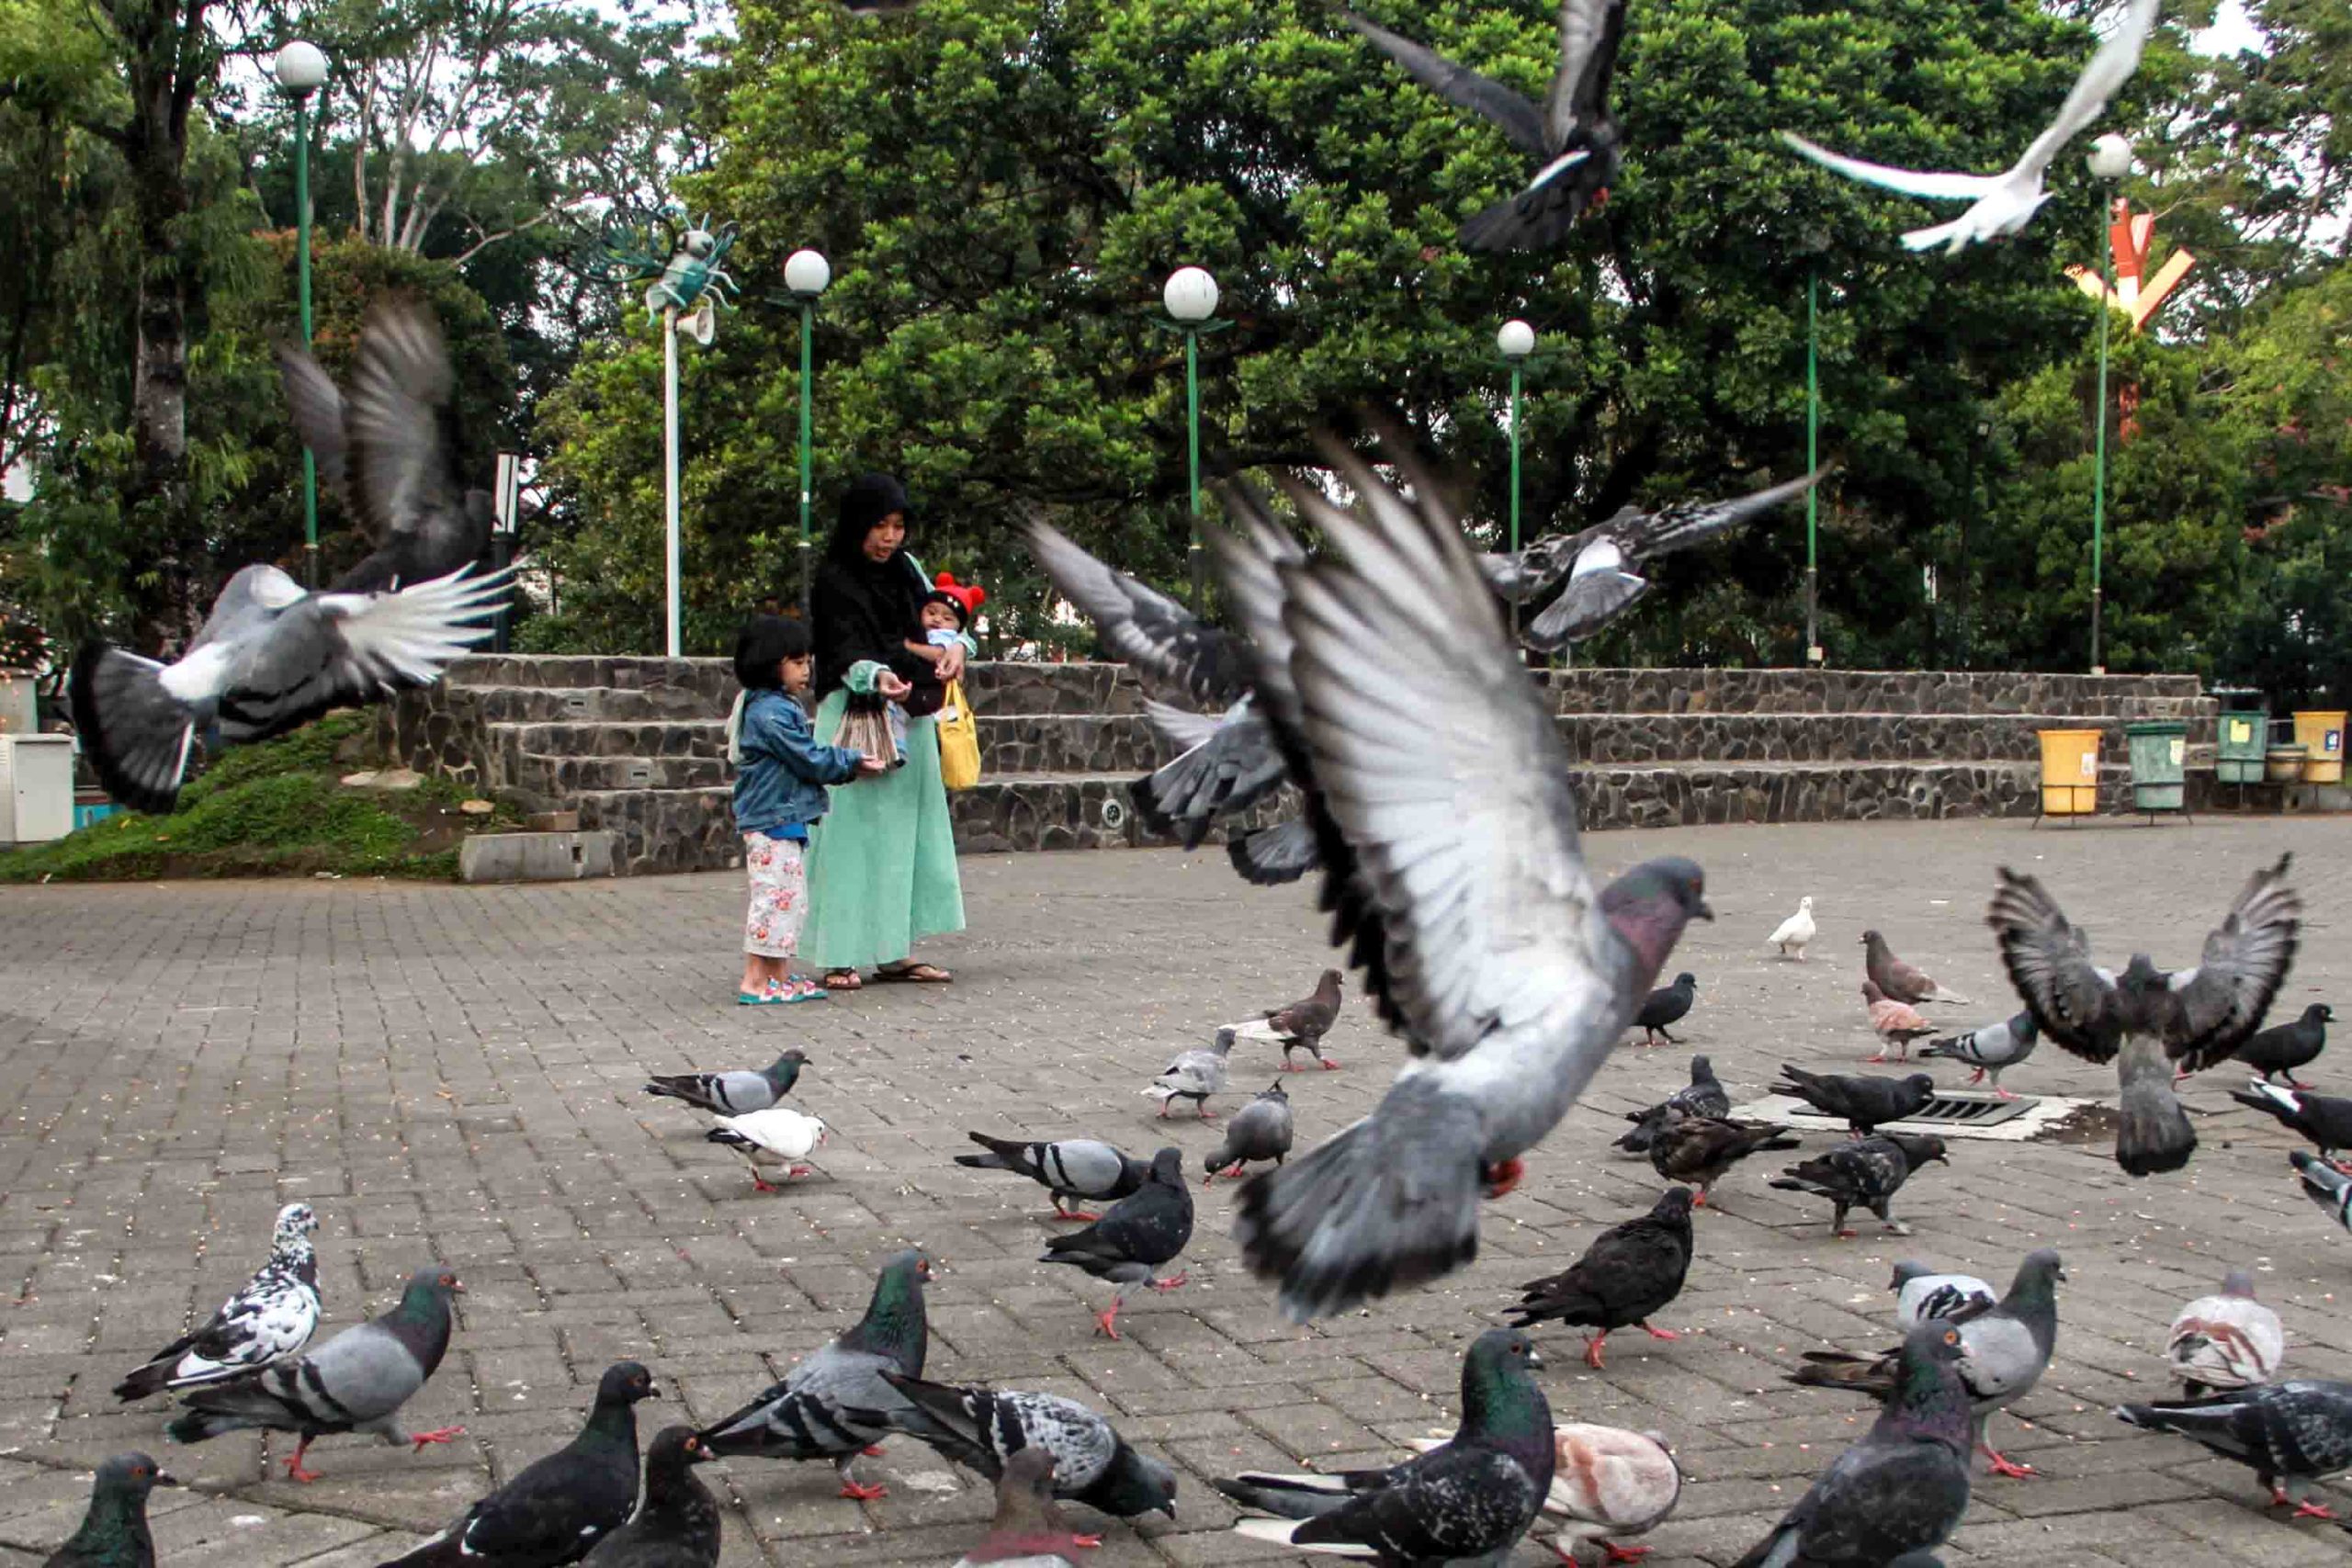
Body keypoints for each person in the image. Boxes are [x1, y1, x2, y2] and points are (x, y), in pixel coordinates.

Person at [800, 473, 967, 989]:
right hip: (854, 719)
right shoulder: (834, 578)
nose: (889, 538)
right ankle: (839, 953)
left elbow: (941, 622)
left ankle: (896, 950)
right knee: (850, 837)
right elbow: (840, 645)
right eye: (879, 526)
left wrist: (958, 648)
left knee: (903, 838)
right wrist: (875, 675)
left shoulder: (908, 571)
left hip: (908, 719)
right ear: (857, 525)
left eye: (897, 526)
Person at [725, 615, 893, 1005]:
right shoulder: (770, 713)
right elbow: (808, 757)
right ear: (772, 663)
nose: (807, 670)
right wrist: (850, 760)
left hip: (785, 816)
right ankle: (755, 980)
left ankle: (778, 976)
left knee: (790, 899)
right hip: (772, 817)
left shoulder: (774, 706)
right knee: (773, 897)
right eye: (797, 662)